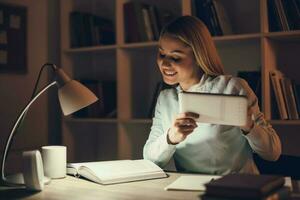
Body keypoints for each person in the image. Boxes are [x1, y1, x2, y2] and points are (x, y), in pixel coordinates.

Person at [143, 16, 281, 175]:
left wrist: (249, 127)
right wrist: (170, 138)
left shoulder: (232, 88)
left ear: (198, 56)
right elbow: (149, 160)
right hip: (191, 191)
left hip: (238, 189)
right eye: (161, 54)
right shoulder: (165, 99)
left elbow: (273, 153)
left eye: (175, 57)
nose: (164, 64)